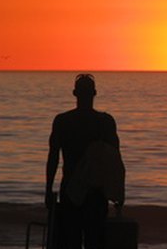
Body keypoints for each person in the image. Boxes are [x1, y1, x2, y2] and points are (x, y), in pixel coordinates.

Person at [46, 74, 121, 249]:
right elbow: (115, 162)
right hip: (95, 192)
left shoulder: (63, 121)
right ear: (94, 93)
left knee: (70, 241)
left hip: (72, 191)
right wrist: (118, 192)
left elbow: (53, 157)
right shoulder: (105, 122)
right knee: (94, 241)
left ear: (74, 93)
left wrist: (48, 189)